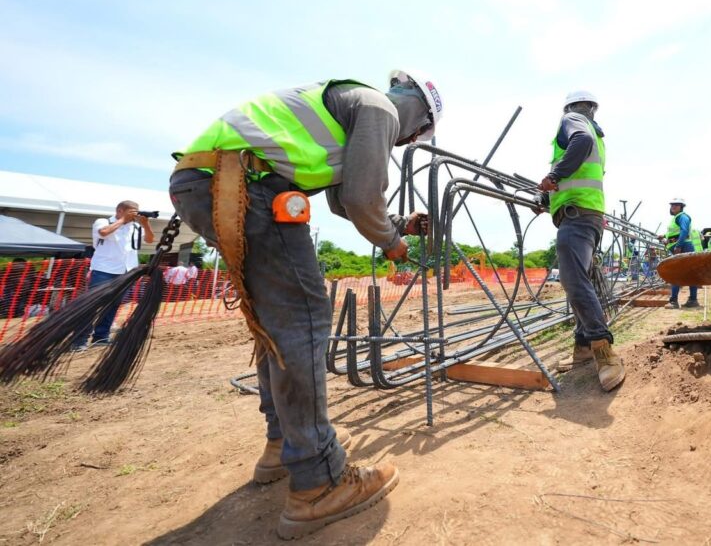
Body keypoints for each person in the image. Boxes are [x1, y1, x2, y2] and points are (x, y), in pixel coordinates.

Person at [168, 72, 440, 539]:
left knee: (277, 322)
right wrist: (392, 242)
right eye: (416, 135)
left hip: (209, 179)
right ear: (420, 117)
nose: (407, 141)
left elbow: (343, 201)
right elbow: (361, 198)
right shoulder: (379, 109)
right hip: (249, 185)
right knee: (303, 319)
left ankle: (284, 443)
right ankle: (319, 480)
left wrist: (398, 224)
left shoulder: (347, 107)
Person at [541, 90, 625, 392]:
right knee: (581, 280)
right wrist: (546, 197)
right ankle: (583, 347)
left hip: (576, 216)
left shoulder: (573, 121)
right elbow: (576, 174)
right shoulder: (597, 134)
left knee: (573, 280)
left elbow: (580, 144)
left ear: (572, 108)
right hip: (586, 213)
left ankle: (604, 351)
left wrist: (554, 175)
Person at [72, 201, 154, 351]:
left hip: (126, 271)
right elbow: (103, 232)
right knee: (92, 305)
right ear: (120, 210)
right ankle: (79, 340)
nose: (135, 215)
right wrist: (122, 220)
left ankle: (101, 336)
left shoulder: (135, 227)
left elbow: (149, 240)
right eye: (132, 211)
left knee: (114, 304)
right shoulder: (103, 222)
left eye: (136, 212)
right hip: (104, 270)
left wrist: (146, 224)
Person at [660, 198, 701, 309]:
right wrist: (664, 236)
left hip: (684, 247)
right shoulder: (676, 218)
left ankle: (674, 301)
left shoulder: (682, 217)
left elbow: (684, 231)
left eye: (676, 205)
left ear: (681, 207)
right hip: (683, 246)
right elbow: (675, 233)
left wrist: (678, 246)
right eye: (672, 205)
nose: (673, 207)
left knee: (676, 273)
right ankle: (693, 300)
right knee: (688, 273)